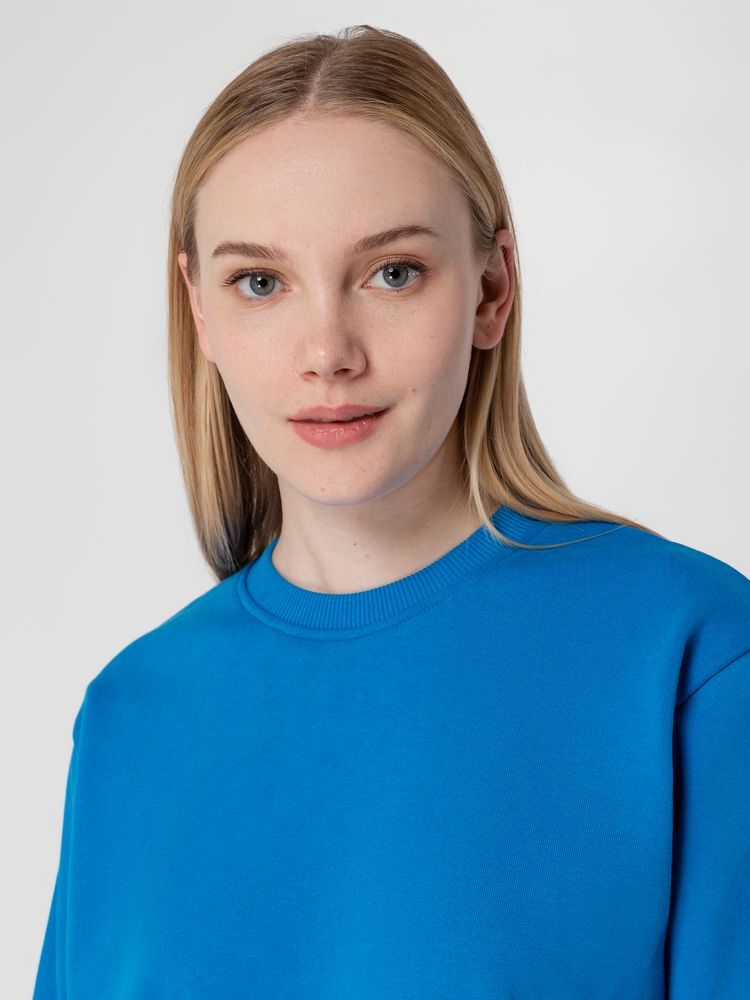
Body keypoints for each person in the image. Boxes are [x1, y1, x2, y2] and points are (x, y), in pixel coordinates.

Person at [32, 24, 749, 1000]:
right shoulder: (131, 715)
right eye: (260, 282)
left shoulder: (688, 656)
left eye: (392, 272)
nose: (328, 352)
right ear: (200, 310)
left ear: (491, 289)